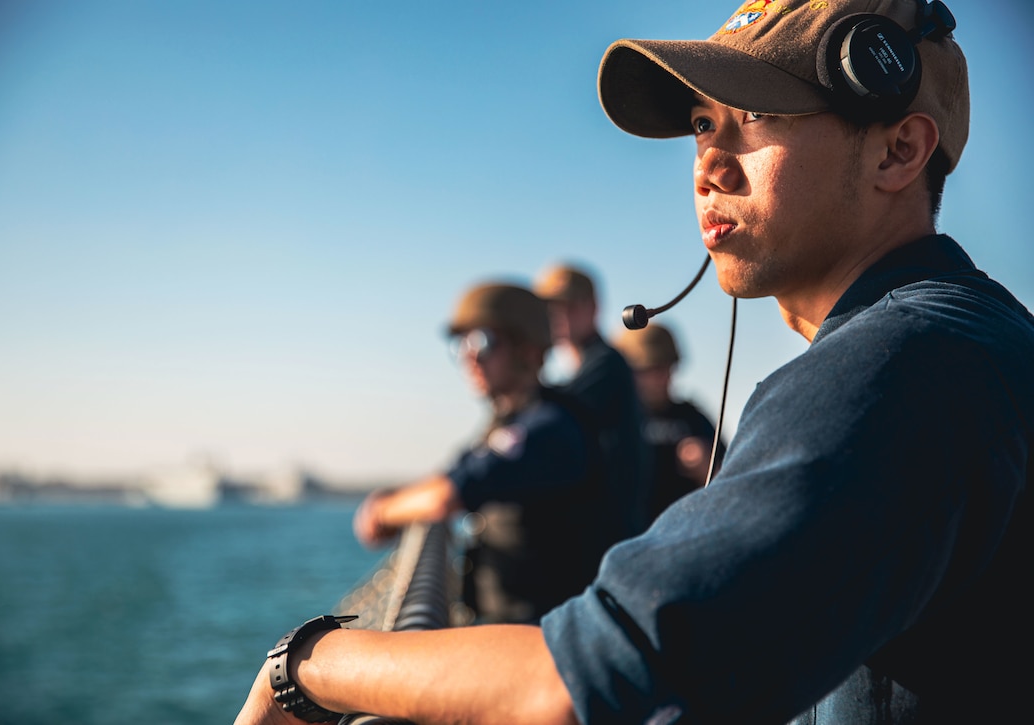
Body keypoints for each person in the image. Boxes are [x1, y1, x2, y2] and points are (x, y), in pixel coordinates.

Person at [236, 2, 1033, 723]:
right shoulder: (966, 339)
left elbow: (573, 686)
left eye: (756, 113)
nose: (708, 164)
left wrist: (303, 664)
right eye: (700, 122)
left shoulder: (899, 366)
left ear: (899, 151)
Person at [351, 281, 605, 625]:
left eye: (483, 341)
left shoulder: (548, 428)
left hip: (544, 638)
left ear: (527, 349)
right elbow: (454, 473)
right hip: (510, 629)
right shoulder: (507, 423)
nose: (469, 355)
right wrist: (400, 498)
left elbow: (447, 495)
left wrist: (380, 511)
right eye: (462, 343)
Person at [533, 262, 651, 544]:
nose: (560, 315)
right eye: (552, 308)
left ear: (594, 308)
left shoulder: (606, 365)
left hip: (609, 540)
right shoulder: (582, 370)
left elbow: (553, 416)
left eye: (570, 306)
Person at [613, 322, 725, 521]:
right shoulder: (613, 422)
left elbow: (732, 488)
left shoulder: (693, 419)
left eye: (666, 367)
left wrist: (707, 468)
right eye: (650, 369)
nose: (662, 377)